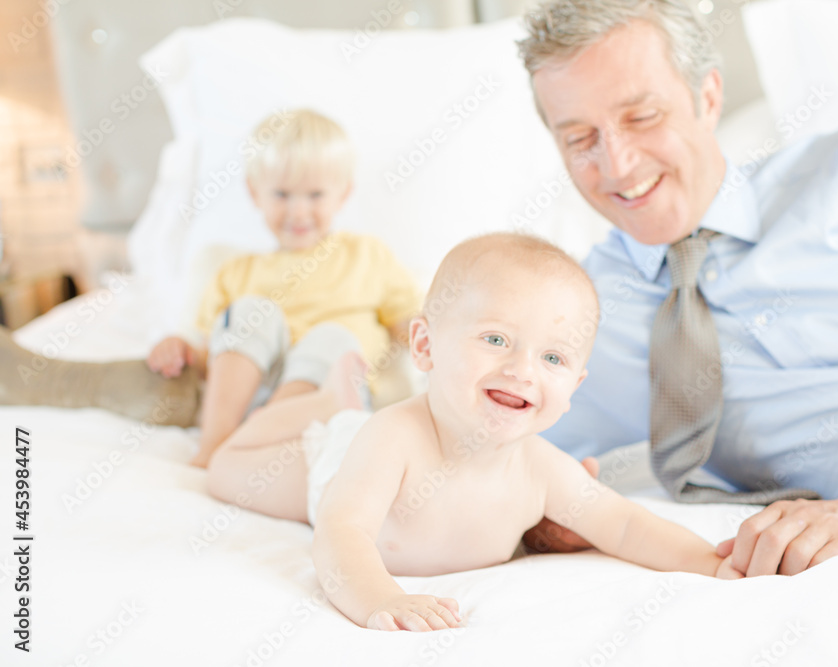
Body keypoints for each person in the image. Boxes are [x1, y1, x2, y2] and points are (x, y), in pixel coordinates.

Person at [516, 0, 838, 576]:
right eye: (579, 139)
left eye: (642, 117)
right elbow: (474, 442)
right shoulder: (568, 308)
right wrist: (529, 518)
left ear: (709, 97)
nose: (616, 163)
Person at [206, 233, 742, 632]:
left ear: (575, 383)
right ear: (425, 346)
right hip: (332, 459)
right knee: (225, 469)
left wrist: (710, 562)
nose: (522, 370)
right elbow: (341, 532)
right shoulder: (394, 437)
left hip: (359, 442)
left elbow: (624, 525)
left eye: (552, 356)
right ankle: (320, 401)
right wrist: (380, 599)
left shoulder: (541, 469)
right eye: (495, 339)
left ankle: (334, 395)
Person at [145, 109, 422, 467]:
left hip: (326, 399)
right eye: (282, 194)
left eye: (315, 194)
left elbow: (411, 324)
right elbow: (209, 359)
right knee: (248, 312)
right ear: (254, 192)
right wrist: (179, 349)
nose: (298, 211)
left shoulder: (366, 255)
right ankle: (215, 447)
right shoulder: (235, 272)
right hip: (253, 394)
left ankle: (249, 445)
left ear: (343, 194)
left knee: (332, 338)